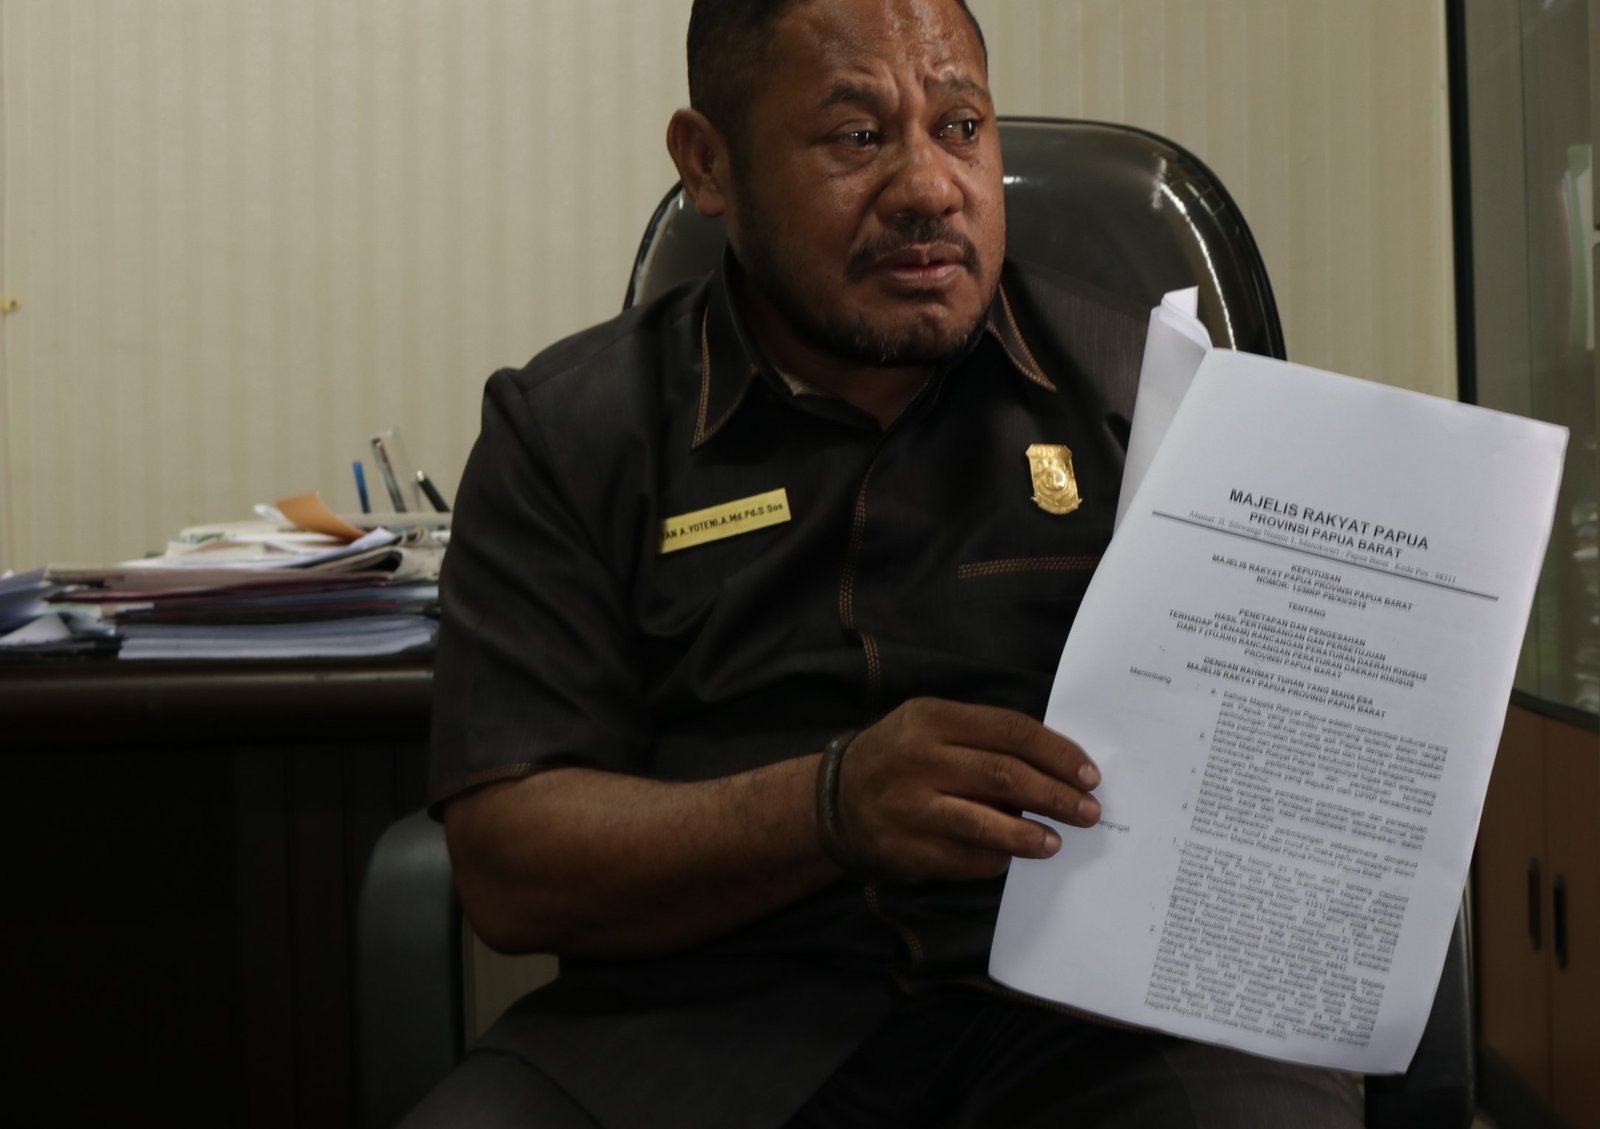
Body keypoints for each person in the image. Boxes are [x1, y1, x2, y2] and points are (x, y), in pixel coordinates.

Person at [414, 0, 1365, 1125]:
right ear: (708, 164)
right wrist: (828, 805)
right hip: (697, 1022)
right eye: (857, 136)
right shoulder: (571, 433)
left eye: (960, 127)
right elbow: (510, 866)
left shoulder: (1145, 402)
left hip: (1094, 1029)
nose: (929, 188)